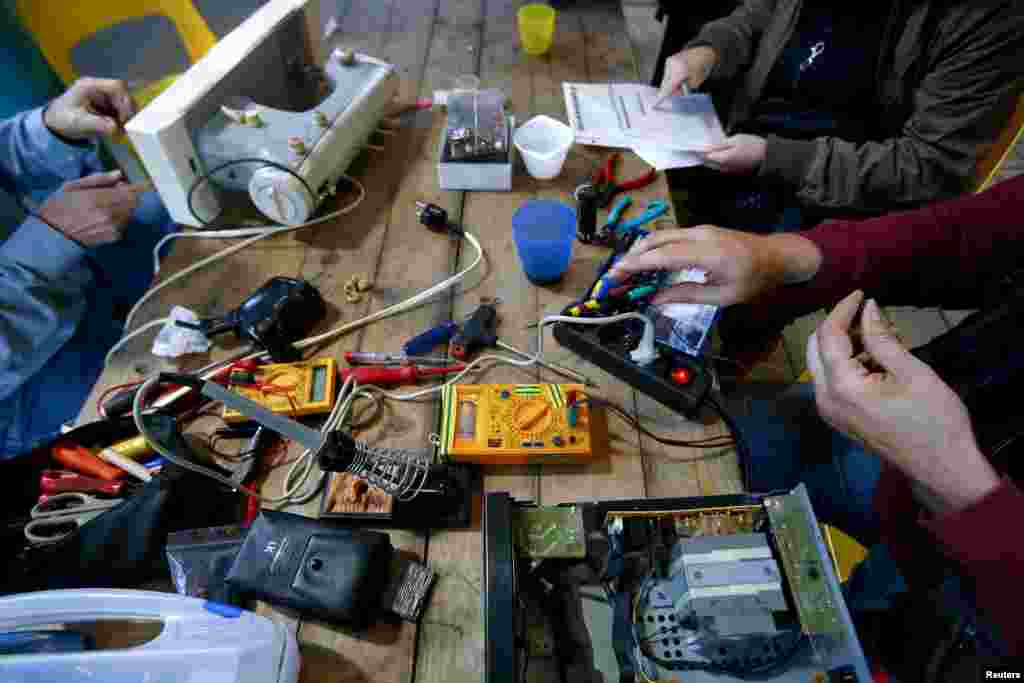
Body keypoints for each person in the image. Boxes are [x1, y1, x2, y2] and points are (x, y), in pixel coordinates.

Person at [609, 175, 1024, 677]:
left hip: (992, 589)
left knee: (858, 642)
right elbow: (978, 230)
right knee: (670, 442)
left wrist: (959, 487)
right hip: (928, 447)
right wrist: (789, 257)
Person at [657, 0, 1024, 230]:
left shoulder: (990, 21)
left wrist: (777, 159)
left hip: (831, 204)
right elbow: (763, 12)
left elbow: (930, 167)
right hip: (735, 142)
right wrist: (712, 49)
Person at [0, 78, 175, 458]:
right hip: (27, 382)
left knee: (192, 209)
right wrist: (45, 245)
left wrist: (49, 131)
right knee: (179, 410)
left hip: (68, 270)